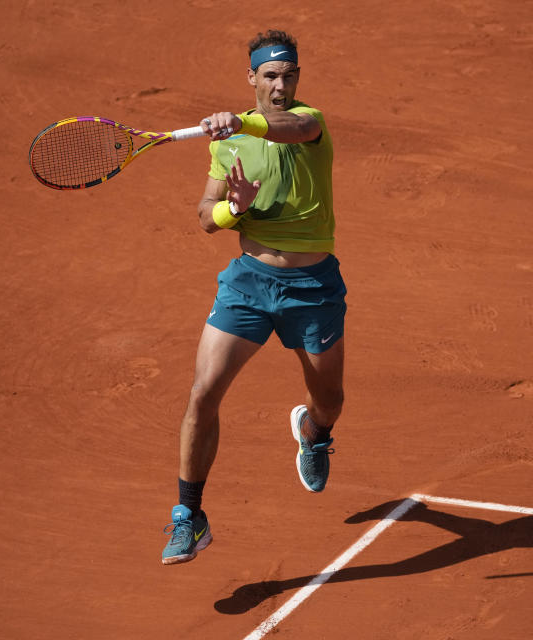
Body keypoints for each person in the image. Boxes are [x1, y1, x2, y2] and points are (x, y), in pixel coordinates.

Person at [161, 30, 345, 565]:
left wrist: (243, 121)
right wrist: (233, 210)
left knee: (329, 400)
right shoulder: (225, 144)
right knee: (203, 392)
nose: (281, 85)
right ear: (253, 78)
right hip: (248, 283)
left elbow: (296, 127)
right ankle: (188, 517)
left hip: (313, 288)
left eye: (289, 75)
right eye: (270, 75)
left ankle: (313, 434)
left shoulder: (309, 122)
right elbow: (205, 217)